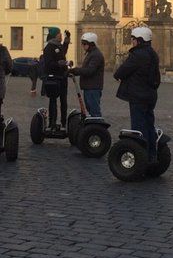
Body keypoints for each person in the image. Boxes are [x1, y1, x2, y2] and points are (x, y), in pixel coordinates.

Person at [114, 26, 161, 161]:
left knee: (138, 127)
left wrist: (117, 75)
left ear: (140, 40)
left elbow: (123, 70)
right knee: (149, 125)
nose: (132, 42)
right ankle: (152, 154)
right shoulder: (152, 53)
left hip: (138, 95)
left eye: (133, 39)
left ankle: (141, 156)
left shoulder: (138, 54)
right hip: (150, 95)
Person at [40, 27, 71, 130]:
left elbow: (63, 51)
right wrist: (59, 63)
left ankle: (63, 123)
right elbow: (48, 64)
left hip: (62, 77)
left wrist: (67, 39)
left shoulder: (59, 46)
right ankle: (52, 123)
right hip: (53, 78)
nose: (61, 35)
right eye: (59, 34)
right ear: (55, 35)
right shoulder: (49, 47)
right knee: (53, 101)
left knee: (64, 101)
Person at [69, 32, 105, 117]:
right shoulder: (91, 54)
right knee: (90, 109)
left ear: (91, 44)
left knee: (94, 111)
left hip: (93, 87)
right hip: (89, 87)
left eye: (85, 44)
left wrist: (75, 71)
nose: (83, 46)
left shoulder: (96, 55)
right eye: (82, 43)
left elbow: (89, 70)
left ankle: (97, 128)